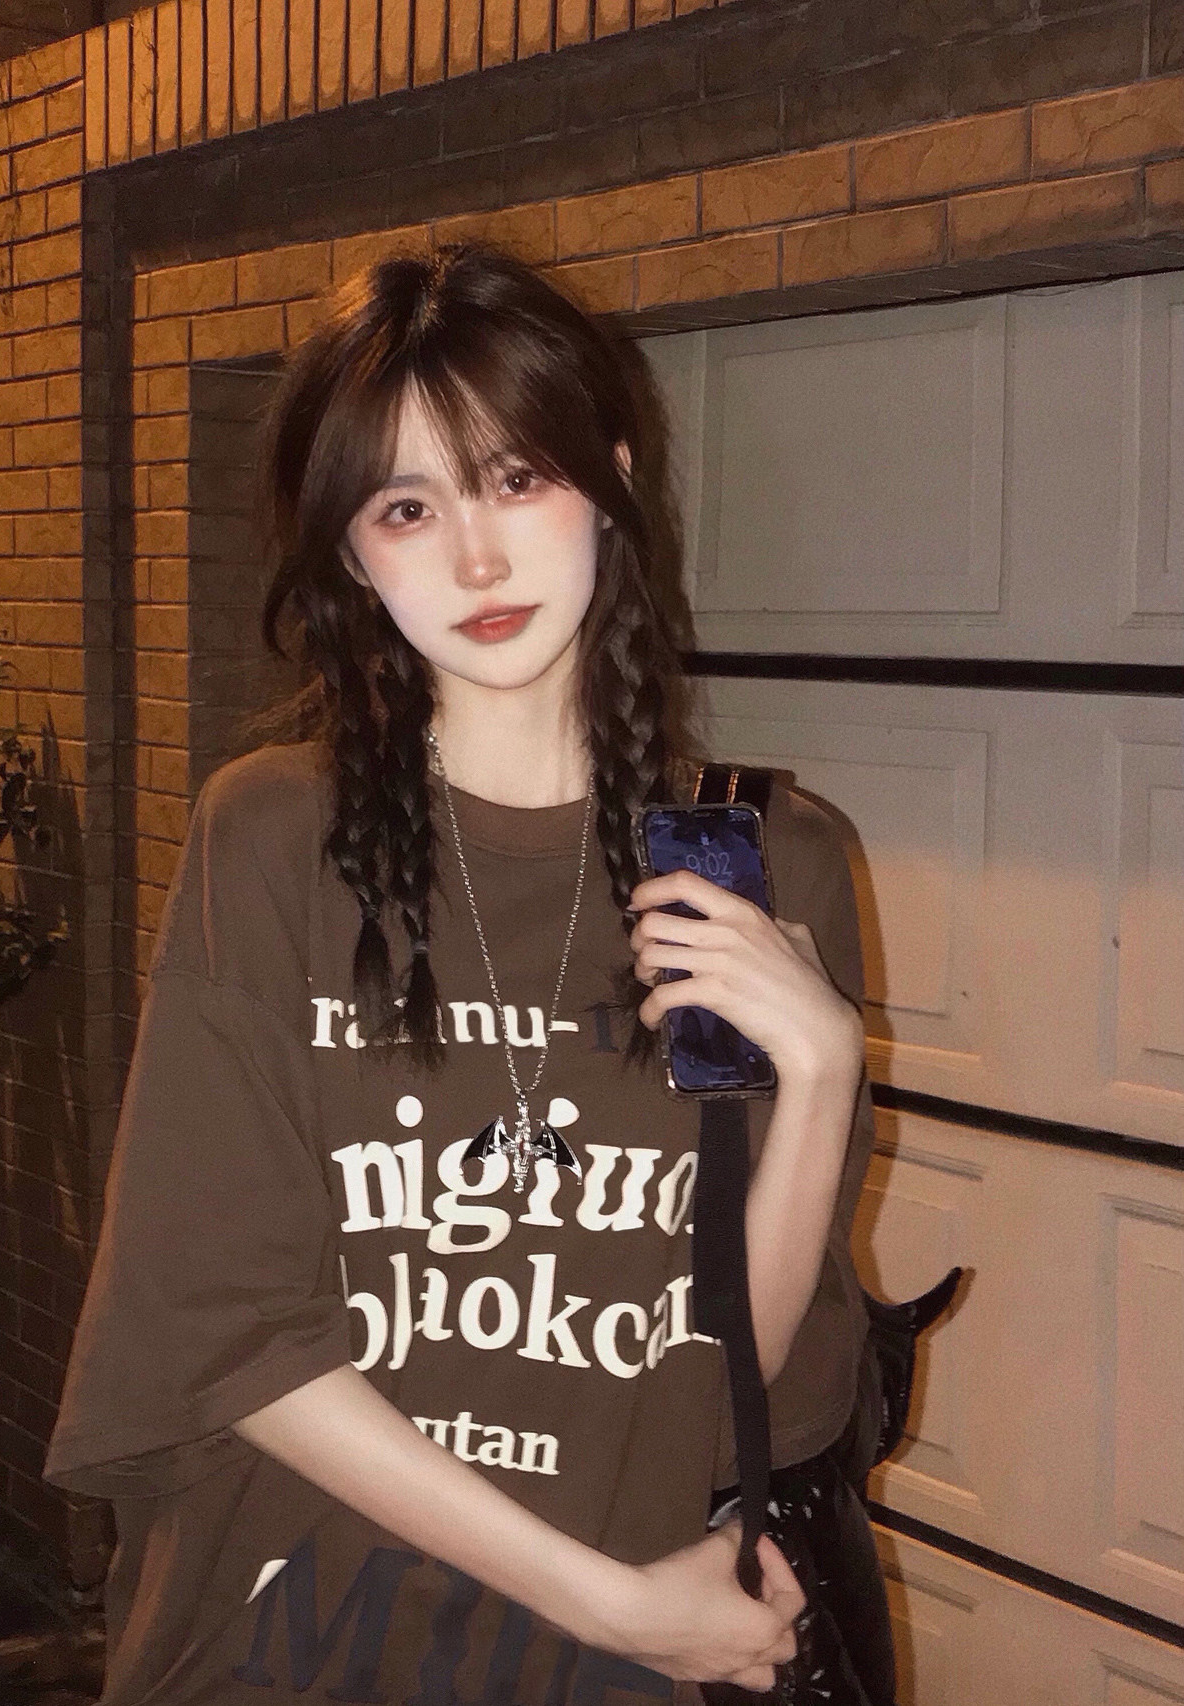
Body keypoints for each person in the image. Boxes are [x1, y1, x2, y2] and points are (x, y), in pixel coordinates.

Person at [43, 240, 888, 1706]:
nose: (476, 560)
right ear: (352, 553)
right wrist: (615, 1606)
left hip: (602, 1647)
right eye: (408, 507)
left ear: (610, 478)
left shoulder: (755, 861)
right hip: (297, 1633)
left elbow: (721, 1375)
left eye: (516, 478)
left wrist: (821, 1071)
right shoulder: (273, 837)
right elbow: (227, 1331)